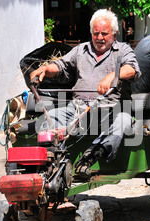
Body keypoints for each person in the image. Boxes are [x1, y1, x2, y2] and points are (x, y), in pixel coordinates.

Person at [30, 9, 140, 177]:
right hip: (77, 109)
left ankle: (89, 158)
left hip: (109, 110)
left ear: (114, 34)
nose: (100, 38)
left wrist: (112, 76)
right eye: (96, 33)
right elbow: (61, 66)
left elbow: (132, 69)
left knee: (124, 120)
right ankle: (52, 161)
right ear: (91, 33)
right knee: (51, 117)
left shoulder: (123, 50)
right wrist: (45, 68)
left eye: (105, 33)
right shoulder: (81, 50)